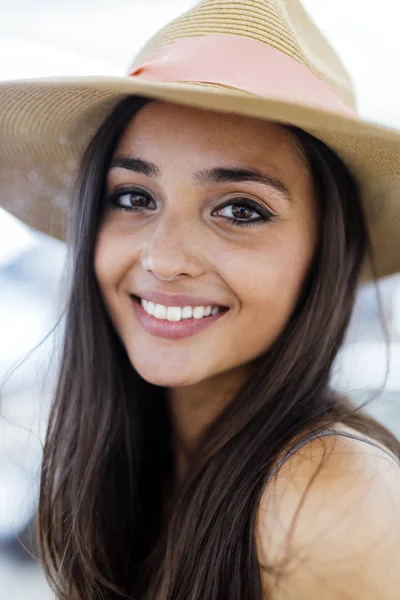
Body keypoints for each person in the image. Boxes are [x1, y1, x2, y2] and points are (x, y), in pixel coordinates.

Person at [0, 1, 400, 598]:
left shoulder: (325, 498)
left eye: (240, 209)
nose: (163, 258)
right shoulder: (138, 465)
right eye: (134, 198)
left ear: (325, 252)